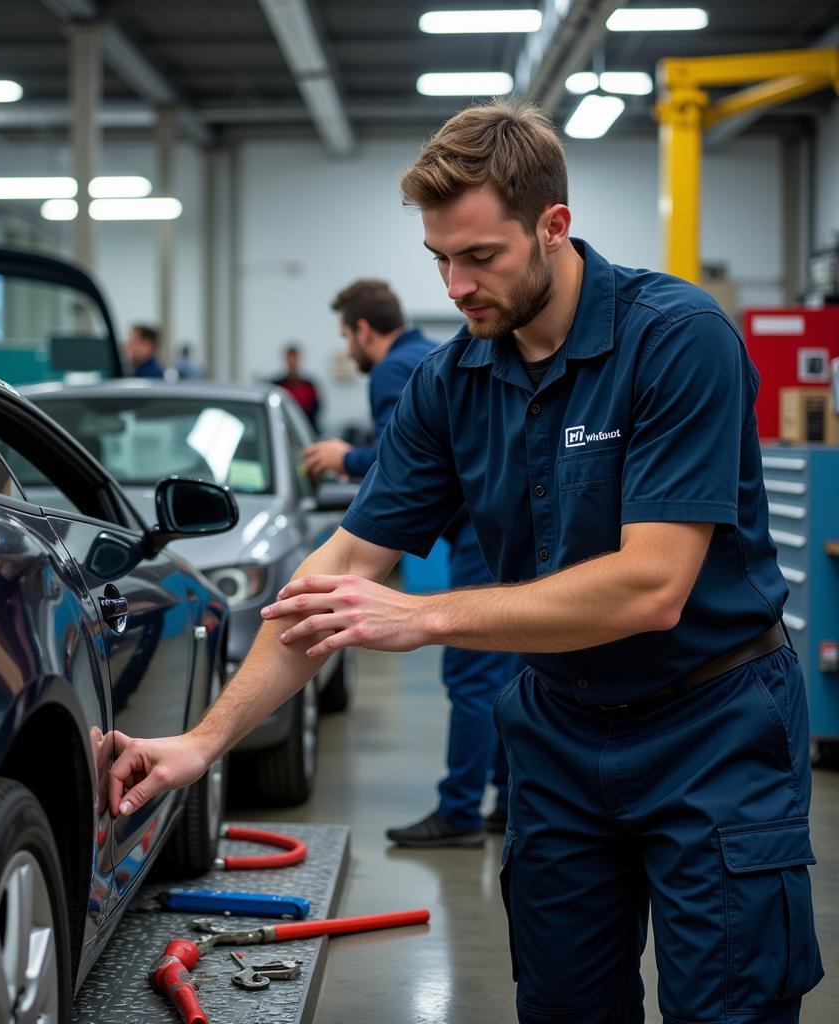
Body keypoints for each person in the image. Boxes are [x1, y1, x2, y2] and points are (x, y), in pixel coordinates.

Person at [106, 102, 823, 1021]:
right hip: (560, 733)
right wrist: (202, 743)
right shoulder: (454, 383)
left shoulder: (676, 339)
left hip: (714, 726)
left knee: (727, 1005)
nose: (455, 285)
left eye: (480, 257)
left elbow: (652, 586)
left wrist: (426, 615)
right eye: (440, 259)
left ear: (553, 227)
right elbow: (332, 579)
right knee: (564, 1003)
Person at [305, 277, 523, 846]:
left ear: (362, 329)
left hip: (477, 529)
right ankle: (507, 799)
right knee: (501, 670)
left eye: (345, 336)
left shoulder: (392, 370)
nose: (348, 349)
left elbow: (402, 457)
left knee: (471, 675)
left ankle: (458, 814)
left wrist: (343, 456)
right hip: (496, 521)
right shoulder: (430, 352)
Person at [271, 344, 321, 432]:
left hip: (306, 429)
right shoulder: (277, 386)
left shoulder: (309, 386)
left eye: (295, 360)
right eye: (290, 360)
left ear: (299, 360)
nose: (292, 363)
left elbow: (317, 409)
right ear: (286, 360)